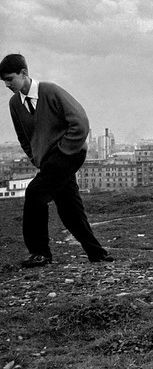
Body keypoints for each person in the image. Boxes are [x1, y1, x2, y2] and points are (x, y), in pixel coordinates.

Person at [0, 54, 113, 267]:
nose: (6, 84)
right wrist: (37, 158)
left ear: (24, 73)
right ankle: (97, 253)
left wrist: (64, 151)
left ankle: (40, 253)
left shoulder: (50, 91)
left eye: (9, 79)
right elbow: (23, 136)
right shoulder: (15, 103)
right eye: (3, 81)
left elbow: (80, 122)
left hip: (70, 153)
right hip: (48, 161)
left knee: (35, 193)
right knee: (69, 207)